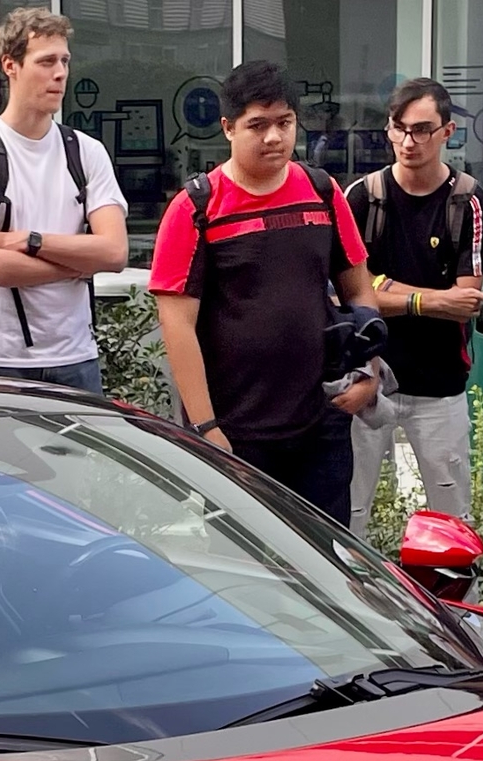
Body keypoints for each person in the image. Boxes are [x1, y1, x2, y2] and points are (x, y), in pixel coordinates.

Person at [149, 60, 378, 524]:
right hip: (238, 434)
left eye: (285, 123)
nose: (274, 137)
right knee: (251, 576)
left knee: (329, 563)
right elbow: (177, 325)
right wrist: (206, 429)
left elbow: (359, 288)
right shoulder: (197, 207)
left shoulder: (321, 191)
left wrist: (368, 372)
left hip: (322, 423)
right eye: (258, 125)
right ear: (228, 128)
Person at [342, 78, 483, 528]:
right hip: (367, 376)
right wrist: (425, 301)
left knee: (451, 524)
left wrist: (382, 289)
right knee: (347, 515)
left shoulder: (467, 200)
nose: (408, 141)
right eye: (398, 128)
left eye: (421, 130)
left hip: (439, 384)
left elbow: (466, 299)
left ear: (447, 132)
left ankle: (453, 601)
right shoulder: (363, 196)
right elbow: (349, 293)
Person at [0, 7, 127, 391]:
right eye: (45, 62)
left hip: (76, 355)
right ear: (10, 66)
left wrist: (33, 242)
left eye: (64, 61)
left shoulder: (86, 151)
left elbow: (113, 253)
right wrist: (74, 266)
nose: (60, 73)